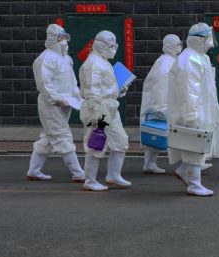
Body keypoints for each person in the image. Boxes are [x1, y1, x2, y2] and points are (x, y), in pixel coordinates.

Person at [167, 23, 219, 197]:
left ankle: (185, 172)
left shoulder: (201, 58)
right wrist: (191, 115)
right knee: (193, 147)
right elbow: (188, 90)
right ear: (200, 40)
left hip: (204, 108)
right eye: (208, 38)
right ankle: (194, 184)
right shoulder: (189, 59)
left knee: (198, 145)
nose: (211, 42)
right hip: (193, 110)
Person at [26, 24, 85, 183]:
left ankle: (34, 170)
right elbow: (44, 84)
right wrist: (58, 99)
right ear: (52, 38)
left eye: (65, 37)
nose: (64, 41)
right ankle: (79, 173)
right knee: (62, 135)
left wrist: (77, 96)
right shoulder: (45, 59)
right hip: (51, 104)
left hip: (66, 103)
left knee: (48, 136)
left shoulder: (66, 57)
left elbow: (72, 80)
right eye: (60, 38)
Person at [78, 31, 131, 192]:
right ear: (101, 46)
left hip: (110, 107)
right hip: (99, 109)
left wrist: (119, 89)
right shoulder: (93, 64)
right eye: (110, 46)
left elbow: (105, 86)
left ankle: (113, 175)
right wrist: (95, 112)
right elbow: (92, 90)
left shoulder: (103, 61)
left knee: (120, 141)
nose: (113, 49)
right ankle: (90, 180)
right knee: (96, 143)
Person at [139, 34, 183, 174]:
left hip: (165, 103)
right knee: (162, 133)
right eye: (177, 44)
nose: (180, 46)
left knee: (157, 133)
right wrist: (161, 107)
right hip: (164, 104)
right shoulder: (166, 62)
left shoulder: (168, 60)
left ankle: (150, 163)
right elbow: (161, 87)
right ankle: (191, 164)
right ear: (170, 45)